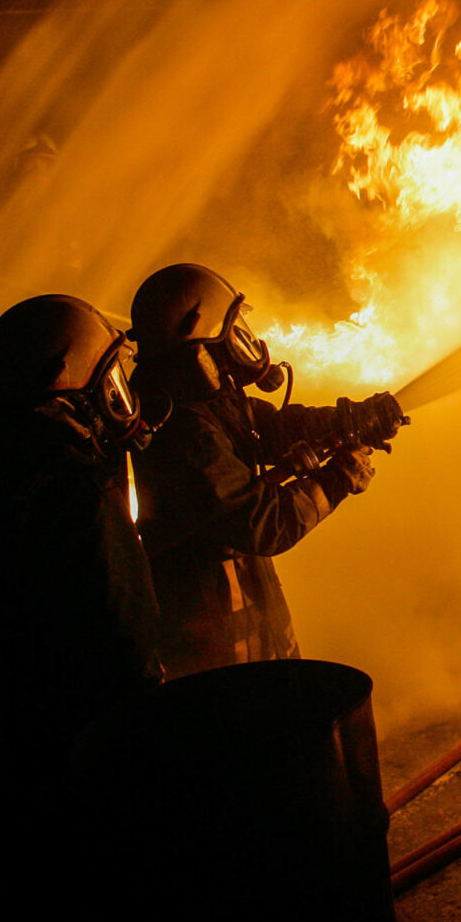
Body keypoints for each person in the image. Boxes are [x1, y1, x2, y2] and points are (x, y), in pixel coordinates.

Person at [0, 294, 164, 922]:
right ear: (74, 378)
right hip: (84, 758)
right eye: (111, 375)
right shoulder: (71, 486)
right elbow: (122, 631)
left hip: (7, 763)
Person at [127, 264, 406, 678]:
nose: (244, 339)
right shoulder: (180, 425)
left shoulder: (205, 399)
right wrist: (338, 478)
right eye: (232, 329)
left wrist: (351, 420)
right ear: (198, 338)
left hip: (246, 613)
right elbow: (261, 522)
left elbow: (270, 429)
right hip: (213, 634)